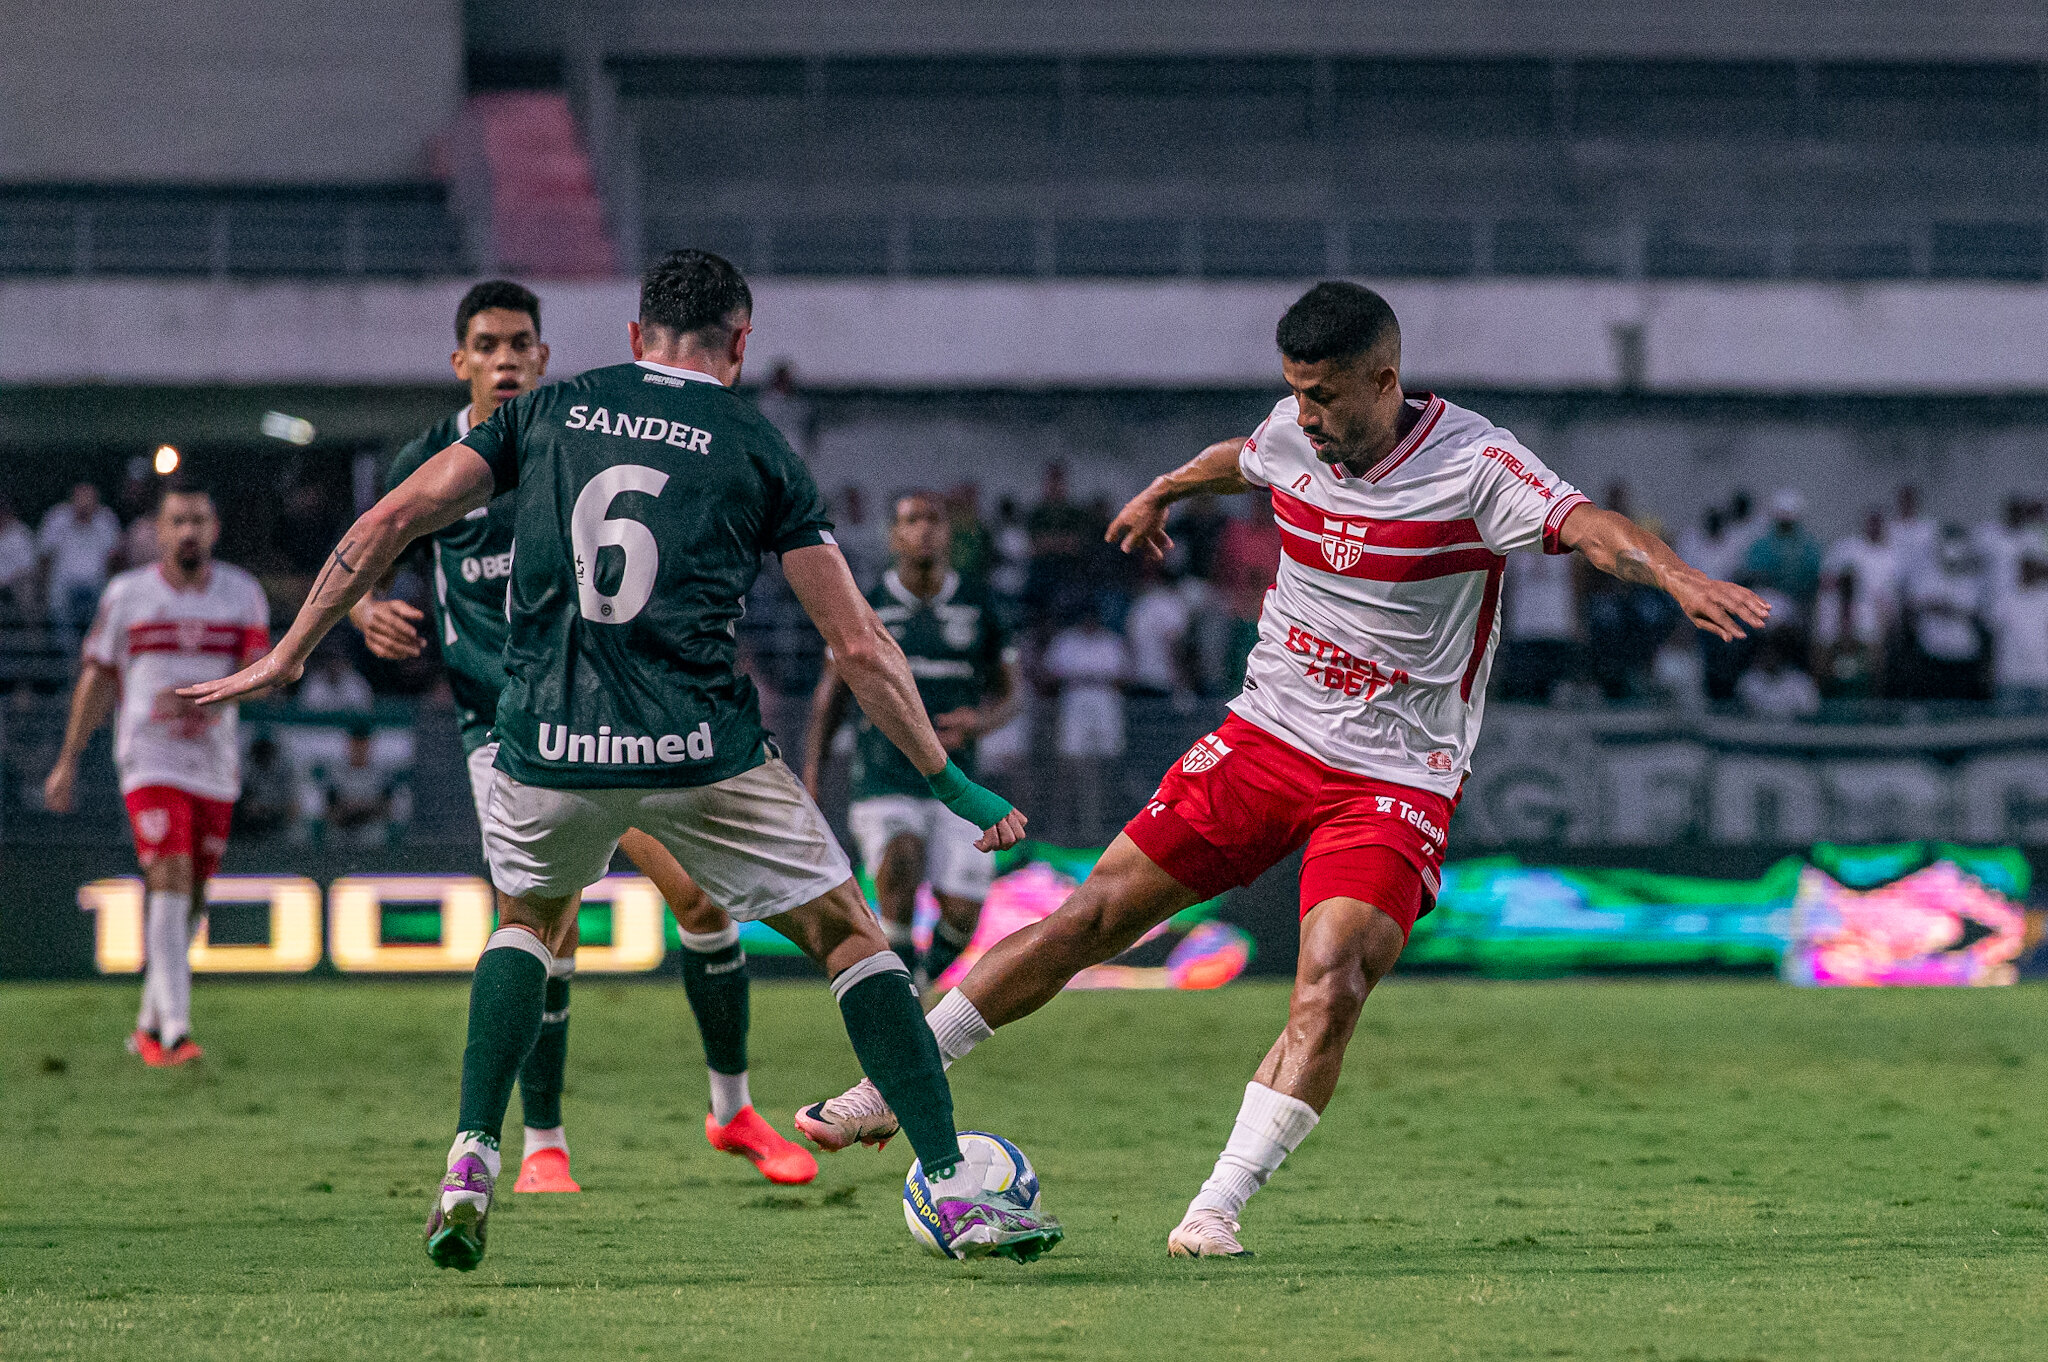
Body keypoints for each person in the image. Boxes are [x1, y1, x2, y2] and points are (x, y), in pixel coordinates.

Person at [795, 281, 1768, 1257]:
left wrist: (1673, 572)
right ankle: (892, 1090)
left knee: (1332, 977)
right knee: (1090, 918)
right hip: (1267, 737)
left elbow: (1589, 526)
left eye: (1325, 396)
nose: (1305, 415)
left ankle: (1213, 1207)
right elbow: (1241, 460)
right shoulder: (1295, 433)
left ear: (1383, 381)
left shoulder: (1475, 464)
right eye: (1295, 392)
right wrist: (1166, 488)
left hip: (1394, 774)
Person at [185, 249, 1060, 1270]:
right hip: (697, 744)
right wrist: (947, 780)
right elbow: (858, 644)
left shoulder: (546, 412)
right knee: (846, 935)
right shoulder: (757, 444)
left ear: (636, 338)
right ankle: (953, 1187)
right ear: (738, 343)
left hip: (547, 738)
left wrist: (290, 653)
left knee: (529, 923)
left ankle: (473, 1155)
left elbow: (389, 521)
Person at [345, 278, 817, 1195]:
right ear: (461, 362)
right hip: (505, 730)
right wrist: (366, 606)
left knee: (702, 902)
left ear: (544, 357)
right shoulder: (437, 454)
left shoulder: (568, 440)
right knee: (544, 929)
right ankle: (544, 1146)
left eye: (522, 343)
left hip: (612, 713)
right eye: (488, 345)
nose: (507, 359)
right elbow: (370, 541)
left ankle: (732, 1113)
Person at [42, 482, 270, 1066]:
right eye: (178, 521)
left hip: (215, 764)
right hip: (148, 757)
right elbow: (96, 678)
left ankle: (147, 1023)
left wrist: (201, 703)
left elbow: (258, 669)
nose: (188, 531)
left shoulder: (242, 593)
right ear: (159, 532)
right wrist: (68, 760)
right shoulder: (127, 595)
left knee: (191, 896)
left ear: (213, 528)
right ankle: (174, 1031)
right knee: (167, 873)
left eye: (198, 519)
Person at [801, 492, 1020, 996]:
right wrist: (812, 773)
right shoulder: (864, 603)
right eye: (911, 520)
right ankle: (900, 1002)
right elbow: (829, 697)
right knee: (899, 863)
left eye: (933, 520)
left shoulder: (980, 603)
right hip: (883, 775)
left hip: (958, 780)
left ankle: (913, 985)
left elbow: (1013, 695)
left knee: (963, 915)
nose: (923, 529)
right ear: (893, 535)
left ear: (948, 533)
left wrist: (980, 722)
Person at [37, 481, 122, 641]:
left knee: (104, 604)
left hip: (95, 585)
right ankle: (69, 659)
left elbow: (115, 560)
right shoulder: (56, 518)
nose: (84, 503)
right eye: (80, 498)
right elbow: (44, 559)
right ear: (72, 500)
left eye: (89, 499)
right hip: (63, 585)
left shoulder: (106, 520)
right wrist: (43, 590)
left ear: (96, 502)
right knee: (59, 604)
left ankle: (92, 651)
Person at [314, 725, 402, 846]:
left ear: (369, 746)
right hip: (341, 833)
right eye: (356, 744)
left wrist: (363, 808)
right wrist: (350, 809)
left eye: (363, 745)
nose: (359, 749)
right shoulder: (334, 772)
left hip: (372, 834)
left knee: (374, 834)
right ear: (348, 745)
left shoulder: (382, 773)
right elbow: (328, 810)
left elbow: (388, 809)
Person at [1734, 637, 1821, 720]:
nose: (1770, 659)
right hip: (1756, 732)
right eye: (1766, 654)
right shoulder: (1748, 681)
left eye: (1774, 654)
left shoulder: (1800, 681)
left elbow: (1811, 710)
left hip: (1795, 732)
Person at [295, 648, 374, 712]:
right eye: (331, 660)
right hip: (317, 729)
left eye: (338, 660)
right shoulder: (314, 682)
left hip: (348, 730)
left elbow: (363, 709)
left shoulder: (356, 683)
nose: (334, 664)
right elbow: (306, 710)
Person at [0, 493, 37, 621]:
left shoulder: (20, 533)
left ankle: (32, 638)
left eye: (4, 511)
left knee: (26, 587)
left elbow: (27, 567)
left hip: (13, 583)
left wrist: (5, 580)